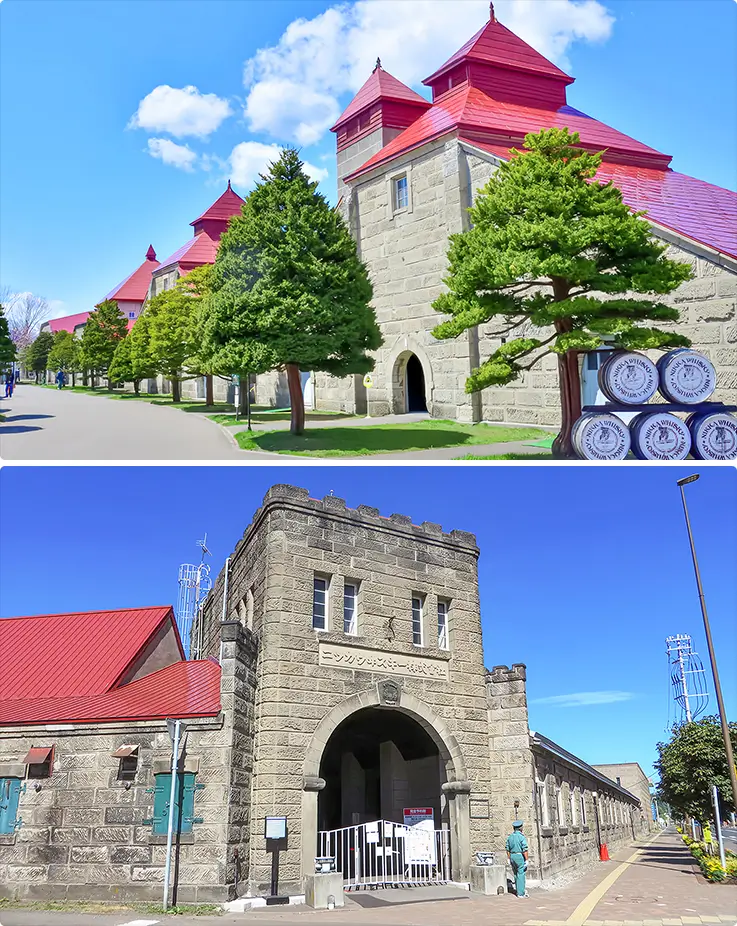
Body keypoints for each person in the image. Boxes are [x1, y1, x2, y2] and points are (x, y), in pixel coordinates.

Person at [506, 820, 529, 898]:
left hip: (512, 856)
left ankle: (518, 890)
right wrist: (526, 860)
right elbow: (525, 849)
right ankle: (521, 893)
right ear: (520, 828)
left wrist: (509, 858)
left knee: (515, 874)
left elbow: (507, 848)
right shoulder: (521, 837)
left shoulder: (510, 837)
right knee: (521, 874)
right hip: (519, 856)